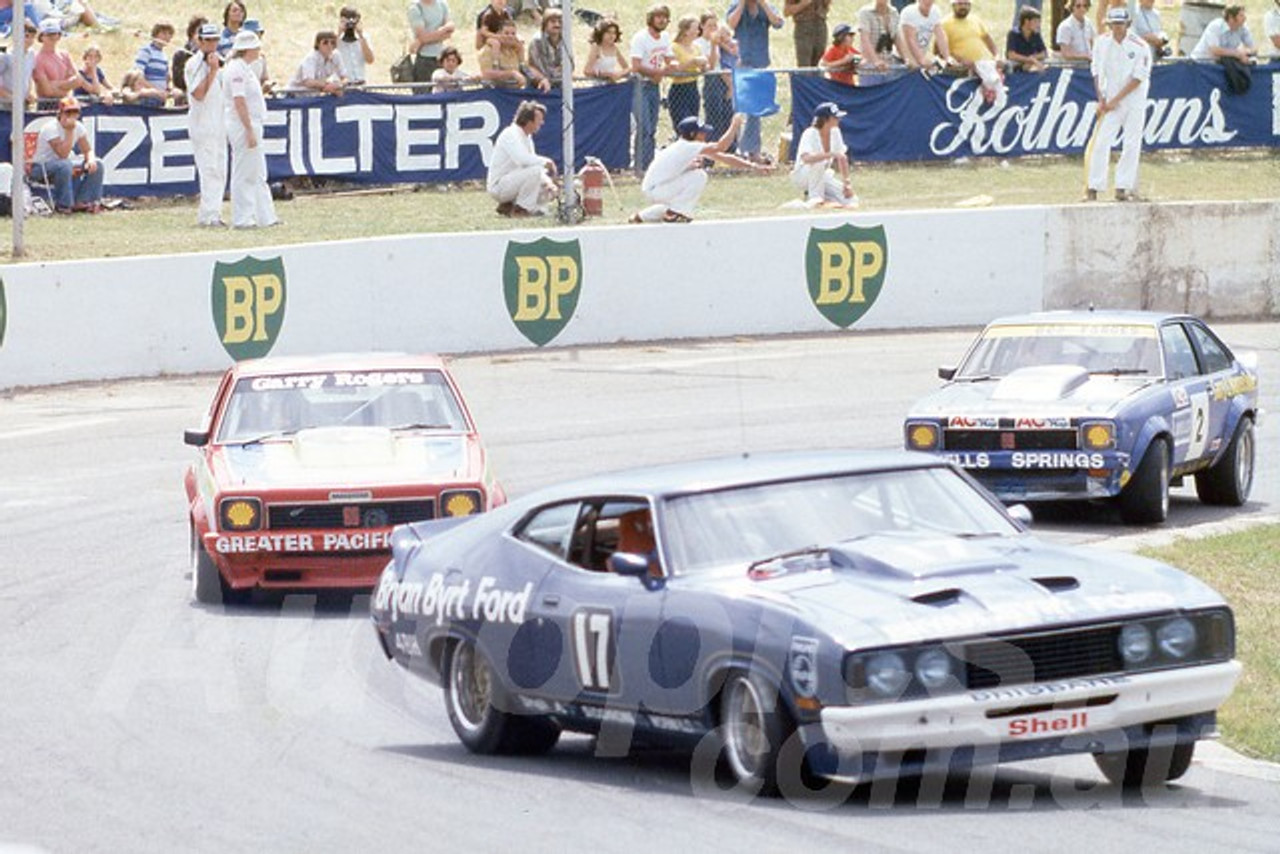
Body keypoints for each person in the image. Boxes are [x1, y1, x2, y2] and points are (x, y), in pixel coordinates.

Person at [630, 113, 770, 223]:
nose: (705, 134)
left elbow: (724, 157)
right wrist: (734, 126)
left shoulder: (686, 146)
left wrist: (753, 166)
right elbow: (721, 146)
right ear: (692, 135)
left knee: (673, 201)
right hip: (656, 189)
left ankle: (640, 217)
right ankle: (676, 213)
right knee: (699, 176)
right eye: (702, 132)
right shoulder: (687, 146)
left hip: (654, 188)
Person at [1084, 7, 1150, 202]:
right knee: (1101, 142)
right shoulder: (1101, 43)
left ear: (1127, 24)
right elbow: (1096, 69)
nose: (1116, 28)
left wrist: (1114, 100)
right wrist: (1101, 98)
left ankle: (1122, 186)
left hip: (1133, 100)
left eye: (1120, 24)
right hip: (1110, 99)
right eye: (1113, 24)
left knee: (1131, 143)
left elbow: (1138, 78)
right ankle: (1094, 187)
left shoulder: (1140, 46)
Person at [222, 29, 278, 228]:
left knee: (258, 172)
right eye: (256, 47)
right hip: (243, 125)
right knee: (244, 173)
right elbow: (239, 101)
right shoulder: (236, 69)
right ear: (248, 49)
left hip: (252, 122)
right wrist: (248, 130)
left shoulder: (244, 68)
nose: (259, 51)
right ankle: (243, 218)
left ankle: (265, 216)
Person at [726, 0, 783, 161]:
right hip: (741, 63)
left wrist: (763, 4)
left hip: (760, 63)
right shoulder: (736, 5)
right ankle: (737, 149)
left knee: (755, 111)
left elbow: (777, 22)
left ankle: (753, 150)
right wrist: (742, 4)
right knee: (739, 108)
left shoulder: (766, 7)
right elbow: (731, 23)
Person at [31, 95, 103, 213]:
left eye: (75, 112)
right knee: (64, 165)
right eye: (68, 112)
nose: (71, 116)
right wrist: (70, 131)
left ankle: (84, 201)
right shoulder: (51, 128)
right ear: (60, 113)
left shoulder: (78, 127)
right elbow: (62, 154)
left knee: (98, 163)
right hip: (42, 166)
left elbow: (87, 150)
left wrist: (90, 160)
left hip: (65, 163)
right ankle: (64, 205)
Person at [487, 99, 557, 216]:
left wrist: (549, 184)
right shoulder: (510, 134)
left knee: (547, 191)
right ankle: (522, 209)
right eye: (539, 119)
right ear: (529, 121)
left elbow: (532, 165)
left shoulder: (526, 137)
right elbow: (523, 160)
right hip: (499, 187)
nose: (542, 123)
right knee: (535, 172)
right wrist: (547, 162)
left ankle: (509, 206)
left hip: (512, 182)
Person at [186, 22, 225, 226]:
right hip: (202, 124)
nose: (212, 44)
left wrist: (216, 68)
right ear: (199, 41)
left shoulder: (218, 62)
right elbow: (198, 94)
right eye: (208, 40)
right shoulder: (194, 64)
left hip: (218, 124)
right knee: (209, 169)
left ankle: (213, 213)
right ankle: (209, 215)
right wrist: (211, 71)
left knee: (219, 169)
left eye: (215, 40)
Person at [630, 4, 673, 173]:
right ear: (651, 18)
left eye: (665, 17)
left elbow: (670, 58)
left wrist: (672, 66)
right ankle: (639, 166)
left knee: (652, 128)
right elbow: (636, 66)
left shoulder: (665, 37)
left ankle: (649, 165)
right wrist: (657, 72)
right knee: (644, 127)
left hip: (654, 85)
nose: (662, 20)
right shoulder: (640, 38)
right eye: (659, 16)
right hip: (641, 85)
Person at [791, 101, 856, 207]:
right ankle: (815, 199)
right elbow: (807, 158)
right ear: (825, 119)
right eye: (835, 118)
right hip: (803, 175)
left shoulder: (836, 132)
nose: (838, 120)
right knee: (818, 163)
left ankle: (823, 201)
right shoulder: (810, 134)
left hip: (822, 175)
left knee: (851, 200)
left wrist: (846, 183)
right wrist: (830, 154)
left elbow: (842, 157)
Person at [942, 0, 1003, 103]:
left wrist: (997, 56)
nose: (963, 7)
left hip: (981, 68)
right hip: (959, 71)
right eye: (960, 4)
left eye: (966, 4)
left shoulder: (976, 20)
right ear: (953, 5)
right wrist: (958, 60)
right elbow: (938, 50)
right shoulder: (945, 23)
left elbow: (988, 39)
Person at [667, 15, 706, 127]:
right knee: (682, 124)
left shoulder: (697, 47)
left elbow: (703, 69)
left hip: (693, 88)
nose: (697, 31)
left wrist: (703, 64)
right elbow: (675, 69)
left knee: (693, 124)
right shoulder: (674, 47)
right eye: (695, 29)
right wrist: (692, 61)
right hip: (679, 88)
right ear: (685, 31)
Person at [31, 18, 77, 110]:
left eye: (55, 33)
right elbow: (47, 91)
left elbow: (78, 80)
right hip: (47, 106)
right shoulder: (37, 59)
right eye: (48, 34)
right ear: (41, 37)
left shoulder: (65, 54)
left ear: (59, 35)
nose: (52, 37)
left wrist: (54, 85)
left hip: (66, 105)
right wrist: (67, 88)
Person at [857, 0, 907, 81]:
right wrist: (876, 61)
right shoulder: (865, 12)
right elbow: (865, 39)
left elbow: (897, 38)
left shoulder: (894, 12)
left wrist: (906, 58)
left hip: (889, 65)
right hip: (870, 68)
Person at [408, 0, 454, 83]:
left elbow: (450, 29)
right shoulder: (416, 8)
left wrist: (421, 41)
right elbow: (422, 36)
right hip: (424, 59)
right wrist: (441, 33)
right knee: (424, 93)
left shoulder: (442, 4)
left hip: (442, 58)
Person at [1190, 5, 1256, 63]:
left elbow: (1254, 48)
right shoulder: (1215, 26)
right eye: (1241, 15)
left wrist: (1247, 53)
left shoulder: (1243, 28)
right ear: (1231, 17)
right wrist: (1237, 53)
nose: (1244, 18)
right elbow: (1214, 50)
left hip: (1221, 65)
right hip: (1201, 63)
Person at [527, 8, 571, 90]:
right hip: (538, 86)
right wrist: (542, 79)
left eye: (560, 22)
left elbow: (570, 66)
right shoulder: (537, 41)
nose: (557, 24)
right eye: (553, 22)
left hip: (559, 85)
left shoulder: (566, 41)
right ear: (545, 24)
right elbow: (531, 67)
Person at [477, 14, 526, 87]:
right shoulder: (489, 49)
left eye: (513, 34)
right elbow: (485, 74)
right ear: (499, 34)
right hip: (494, 91)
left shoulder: (516, 49)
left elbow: (525, 70)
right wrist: (511, 74)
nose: (510, 36)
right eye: (506, 33)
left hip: (514, 90)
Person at [901, 0, 952, 69]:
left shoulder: (935, 11)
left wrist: (947, 58)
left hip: (920, 58)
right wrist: (922, 60)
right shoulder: (908, 12)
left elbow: (940, 36)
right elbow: (910, 40)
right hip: (903, 59)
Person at [134, 21, 174, 104]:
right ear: (155, 34)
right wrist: (155, 91)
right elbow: (137, 76)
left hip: (160, 98)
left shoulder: (164, 56)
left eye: (169, 34)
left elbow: (166, 78)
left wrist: (168, 89)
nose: (167, 37)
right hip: (148, 98)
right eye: (164, 33)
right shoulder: (146, 51)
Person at [0, 19, 37, 110]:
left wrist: (28, 93)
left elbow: (28, 77)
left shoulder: (31, 54)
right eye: (26, 36)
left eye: (32, 37)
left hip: (22, 104)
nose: (30, 40)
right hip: (5, 105)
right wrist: (11, 97)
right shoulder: (5, 55)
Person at [171, 15, 208, 105]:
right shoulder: (181, 54)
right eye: (199, 32)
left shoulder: (211, 54)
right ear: (192, 33)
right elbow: (179, 82)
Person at [783, 0, 829, 67]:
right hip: (803, 26)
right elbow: (786, 12)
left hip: (821, 24)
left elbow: (827, 4)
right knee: (804, 64)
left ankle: (816, 77)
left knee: (819, 61)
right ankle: (804, 77)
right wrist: (803, 4)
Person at [336, 6, 373, 85]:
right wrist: (339, 33)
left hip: (360, 83)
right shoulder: (334, 38)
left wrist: (361, 35)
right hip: (341, 86)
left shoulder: (364, 37)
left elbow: (370, 60)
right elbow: (328, 55)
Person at [585, 17, 629, 82]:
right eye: (608, 32)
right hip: (598, 85)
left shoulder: (614, 48)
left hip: (611, 84)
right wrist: (605, 74)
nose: (611, 36)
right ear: (601, 33)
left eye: (614, 33)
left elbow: (626, 68)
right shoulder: (596, 47)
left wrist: (619, 74)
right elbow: (587, 71)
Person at [1005, 5, 1047, 72]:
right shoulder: (1013, 34)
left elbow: (1043, 53)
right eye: (1035, 21)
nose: (1038, 25)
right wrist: (1030, 60)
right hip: (1016, 63)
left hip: (1031, 63)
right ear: (1026, 21)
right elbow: (1011, 55)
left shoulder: (1036, 34)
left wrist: (1033, 58)